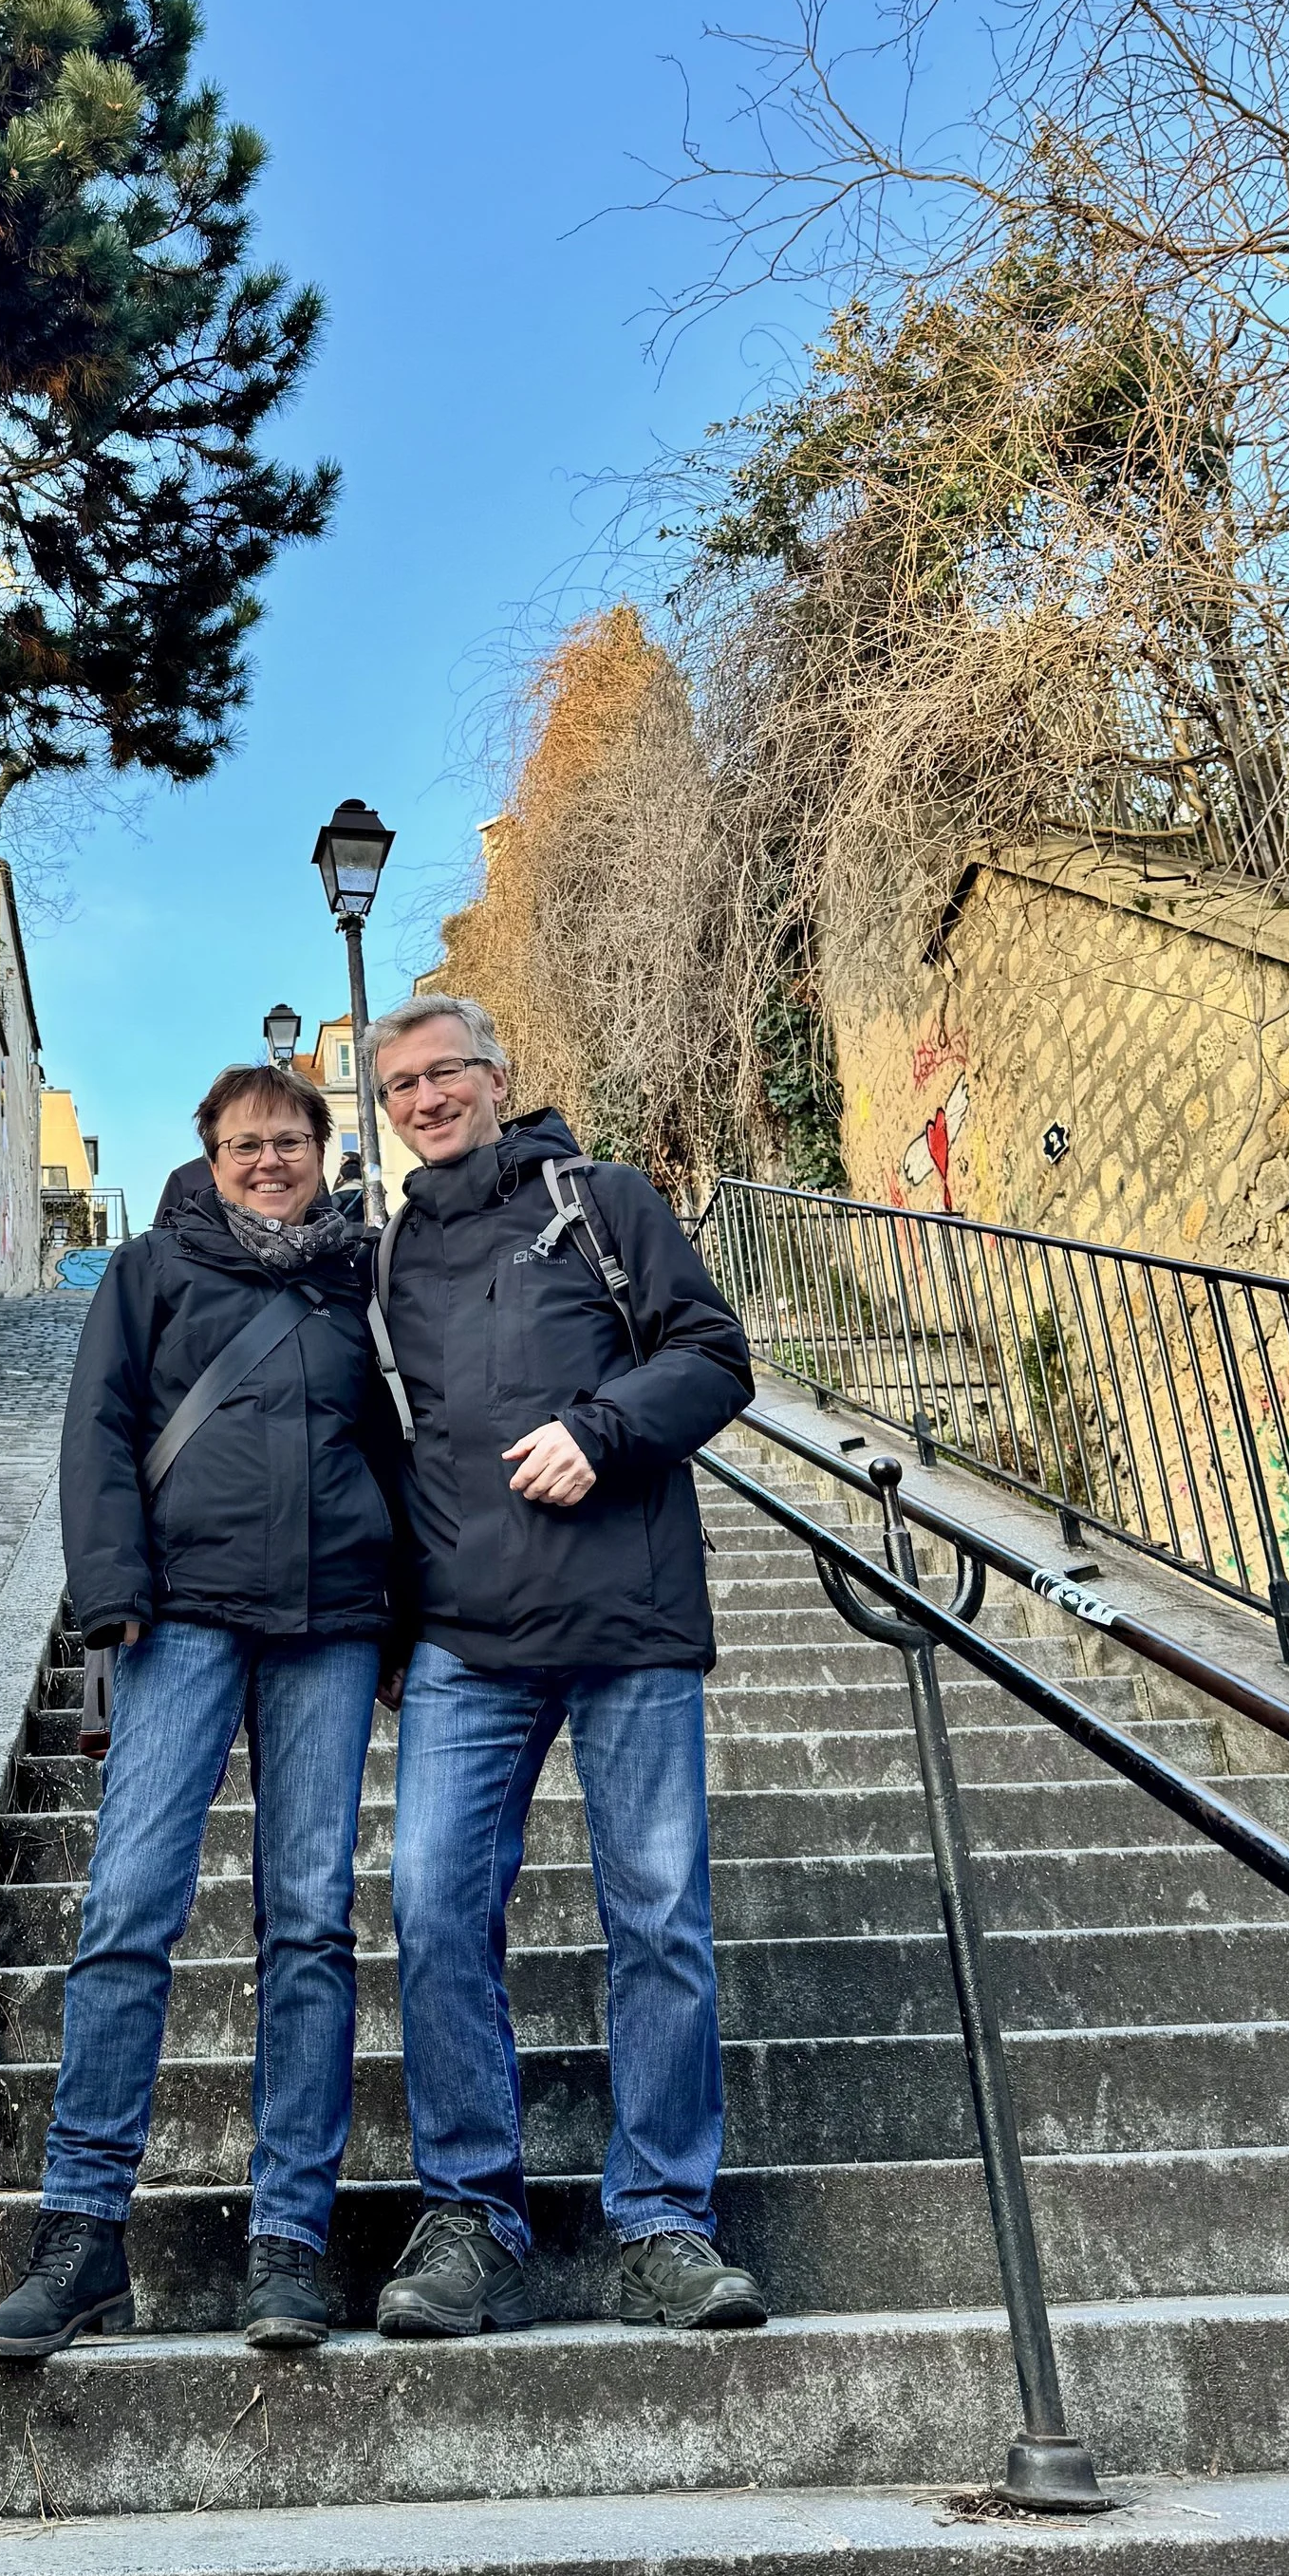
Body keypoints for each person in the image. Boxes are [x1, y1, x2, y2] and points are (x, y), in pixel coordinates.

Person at [0, 1060, 395, 2363]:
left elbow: (412, 1440)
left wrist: (412, 1611)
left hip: (330, 1625)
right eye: (244, 1144)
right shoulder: (153, 1273)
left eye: (291, 1141)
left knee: (311, 1927)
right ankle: (82, 2229)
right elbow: (98, 1431)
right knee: (125, 1911)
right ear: (208, 1157)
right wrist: (114, 1593)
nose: (269, 1160)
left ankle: (289, 2240)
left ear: (325, 1150)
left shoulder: (363, 1277)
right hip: (185, 1617)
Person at [363, 994, 766, 2340]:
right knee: (430, 1910)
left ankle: (661, 2220)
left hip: (628, 1625)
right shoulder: (389, 1259)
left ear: (497, 1074)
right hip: (467, 1647)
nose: (426, 1099)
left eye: (446, 1073)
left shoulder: (602, 1200)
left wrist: (604, 1427)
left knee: (659, 1917)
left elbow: (715, 1356)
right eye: (400, 1084)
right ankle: (472, 2214)